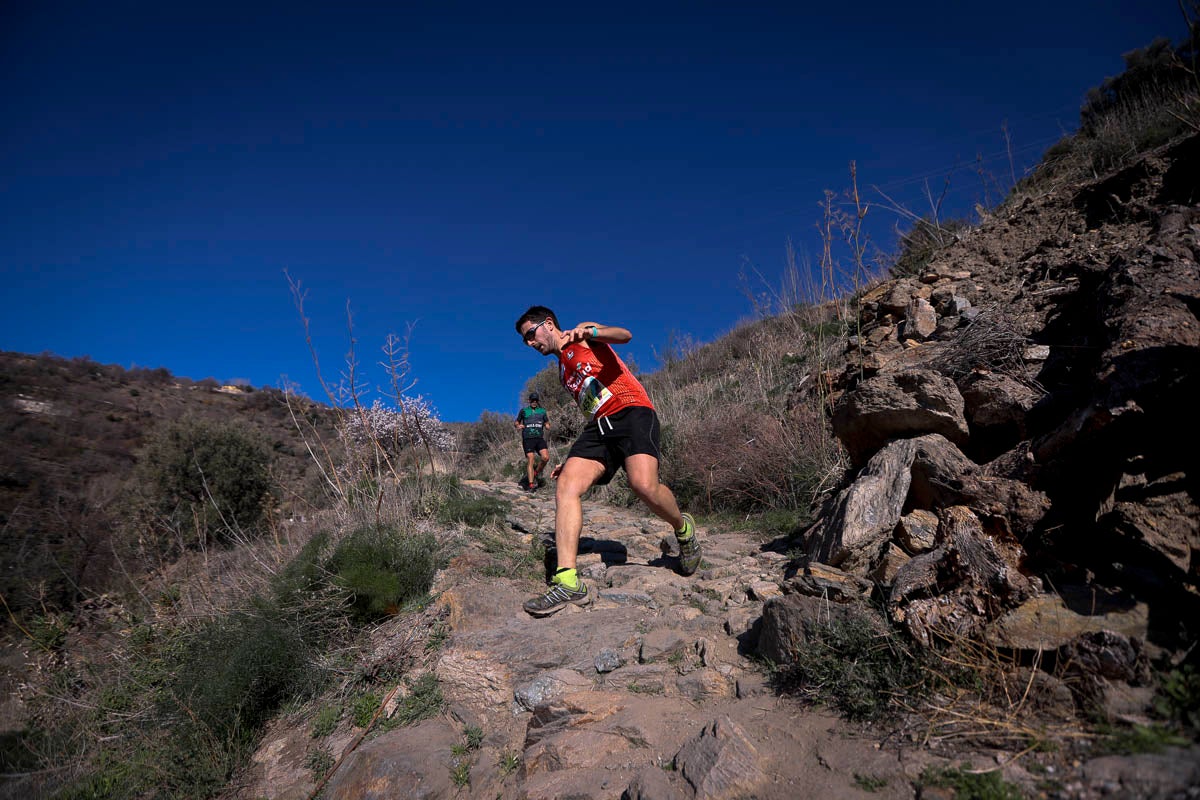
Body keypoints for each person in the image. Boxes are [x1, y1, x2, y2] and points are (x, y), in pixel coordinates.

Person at [514, 305, 701, 617]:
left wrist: (593, 332)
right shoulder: (562, 368)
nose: (531, 344)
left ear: (549, 324)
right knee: (567, 484)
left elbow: (625, 335)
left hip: (632, 412)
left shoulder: (582, 335)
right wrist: (575, 459)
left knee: (644, 486)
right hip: (599, 426)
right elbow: (592, 403)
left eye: (531, 335)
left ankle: (683, 529)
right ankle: (568, 581)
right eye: (525, 341)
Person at [514, 391, 551, 491]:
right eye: (532, 400)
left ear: (538, 401)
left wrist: (547, 426)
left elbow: (547, 423)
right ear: (529, 401)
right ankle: (530, 485)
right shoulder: (524, 411)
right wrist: (518, 425)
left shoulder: (542, 411)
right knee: (531, 458)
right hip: (528, 438)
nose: (534, 402)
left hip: (539, 438)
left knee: (546, 457)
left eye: (536, 400)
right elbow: (516, 422)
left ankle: (536, 473)